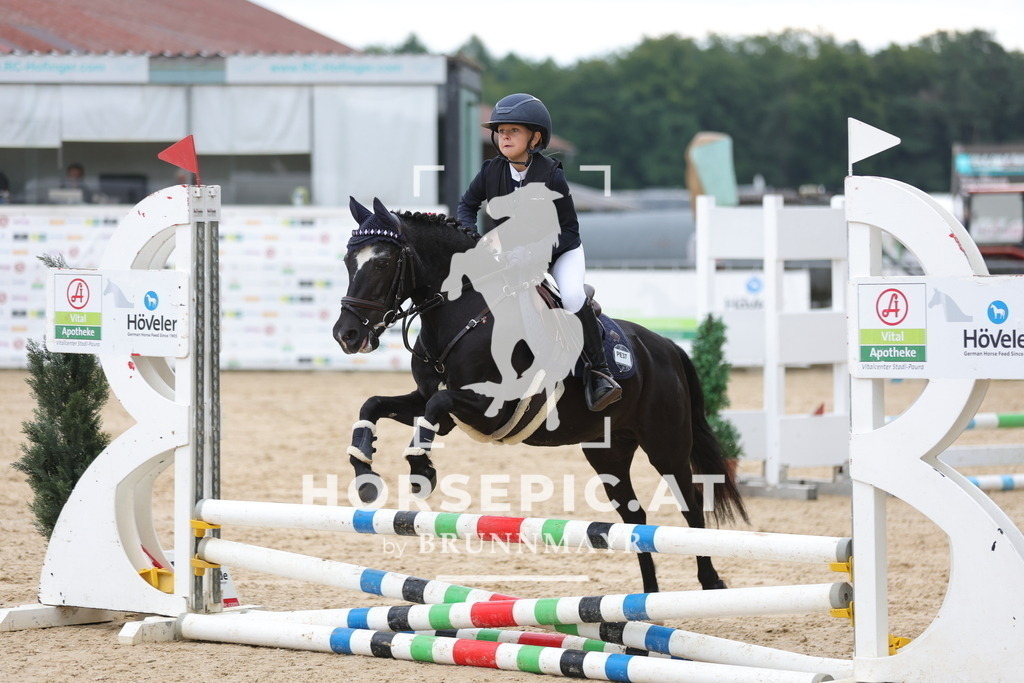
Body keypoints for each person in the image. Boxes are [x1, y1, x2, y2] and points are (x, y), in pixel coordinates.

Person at [456, 93, 621, 411]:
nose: (504, 136)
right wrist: (472, 239)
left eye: (513, 130)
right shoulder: (491, 170)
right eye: (501, 130)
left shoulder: (551, 176)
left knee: (572, 297)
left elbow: (569, 230)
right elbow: (467, 205)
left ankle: (599, 373)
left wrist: (533, 254)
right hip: (510, 256)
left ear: (535, 137)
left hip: (560, 253)